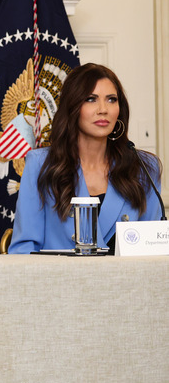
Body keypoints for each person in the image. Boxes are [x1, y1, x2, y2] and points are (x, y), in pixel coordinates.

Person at [9, 63, 162, 254]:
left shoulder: (145, 167)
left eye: (111, 100)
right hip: (60, 281)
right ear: (72, 107)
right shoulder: (41, 164)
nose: (103, 109)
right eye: (91, 99)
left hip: (127, 282)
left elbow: (155, 250)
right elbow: (24, 249)